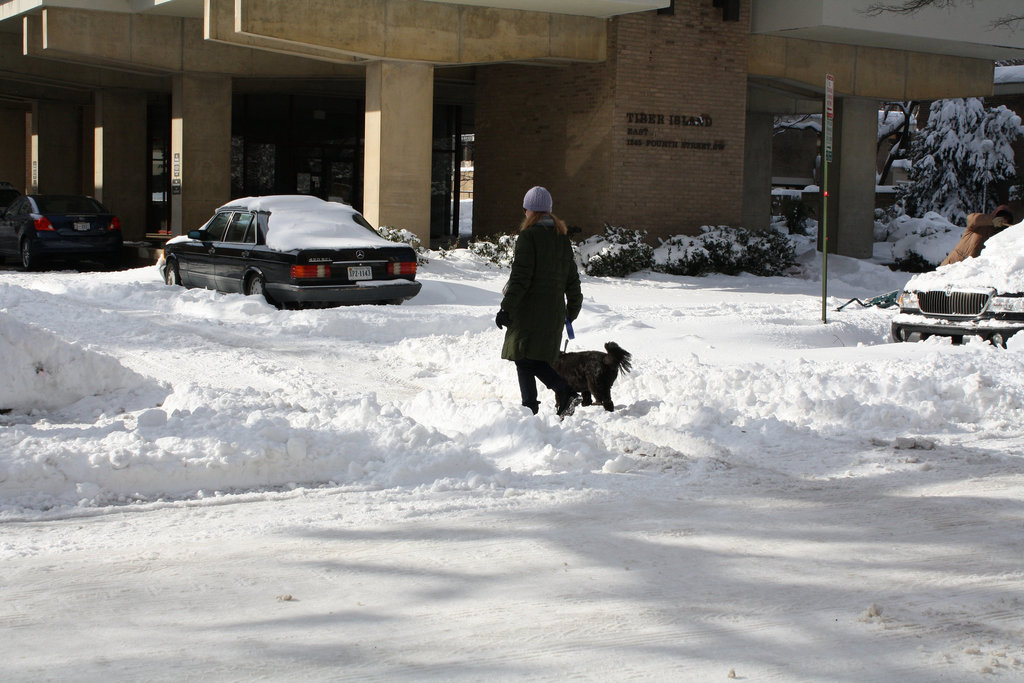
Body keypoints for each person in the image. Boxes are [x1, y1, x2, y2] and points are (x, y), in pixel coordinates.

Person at [496, 186, 584, 417]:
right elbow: (572, 281)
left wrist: (506, 308)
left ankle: (559, 392)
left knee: (524, 358)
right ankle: (533, 407)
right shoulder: (562, 239)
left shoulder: (529, 236)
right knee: (527, 359)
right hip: (552, 314)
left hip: (529, 313)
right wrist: (571, 311)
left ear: (529, 211)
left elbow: (521, 277)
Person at [940, 205, 1015, 266]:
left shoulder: (1001, 237)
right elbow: (971, 219)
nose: (1002, 220)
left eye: (1006, 219)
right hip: (954, 263)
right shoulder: (980, 224)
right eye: (1000, 217)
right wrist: (991, 220)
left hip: (971, 270)